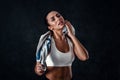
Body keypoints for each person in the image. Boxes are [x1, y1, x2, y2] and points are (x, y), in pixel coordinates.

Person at [34, 10, 89, 80]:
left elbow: (84, 57)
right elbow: (38, 71)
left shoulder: (70, 40)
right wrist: (39, 69)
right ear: (51, 27)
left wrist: (72, 35)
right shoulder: (46, 43)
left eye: (58, 16)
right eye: (53, 19)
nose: (58, 19)